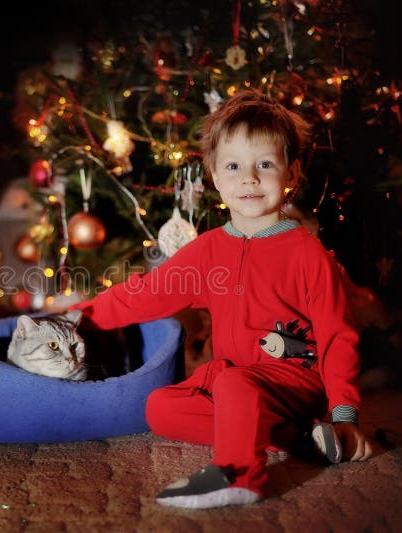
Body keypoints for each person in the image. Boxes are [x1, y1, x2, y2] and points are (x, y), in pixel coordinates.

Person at [71, 89, 373, 509]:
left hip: (295, 380)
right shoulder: (209, 249)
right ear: (214, 176)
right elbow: (147, 293)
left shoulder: (307, 253)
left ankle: (238, 473)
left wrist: (344, 415)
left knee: (234, 383)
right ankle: (292, 436)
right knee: (160, 407)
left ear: (292, 174)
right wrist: (81, 316)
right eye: (234, 166)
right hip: (229, 374)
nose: (249, 178)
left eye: (265, 164)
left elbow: (337, 336)